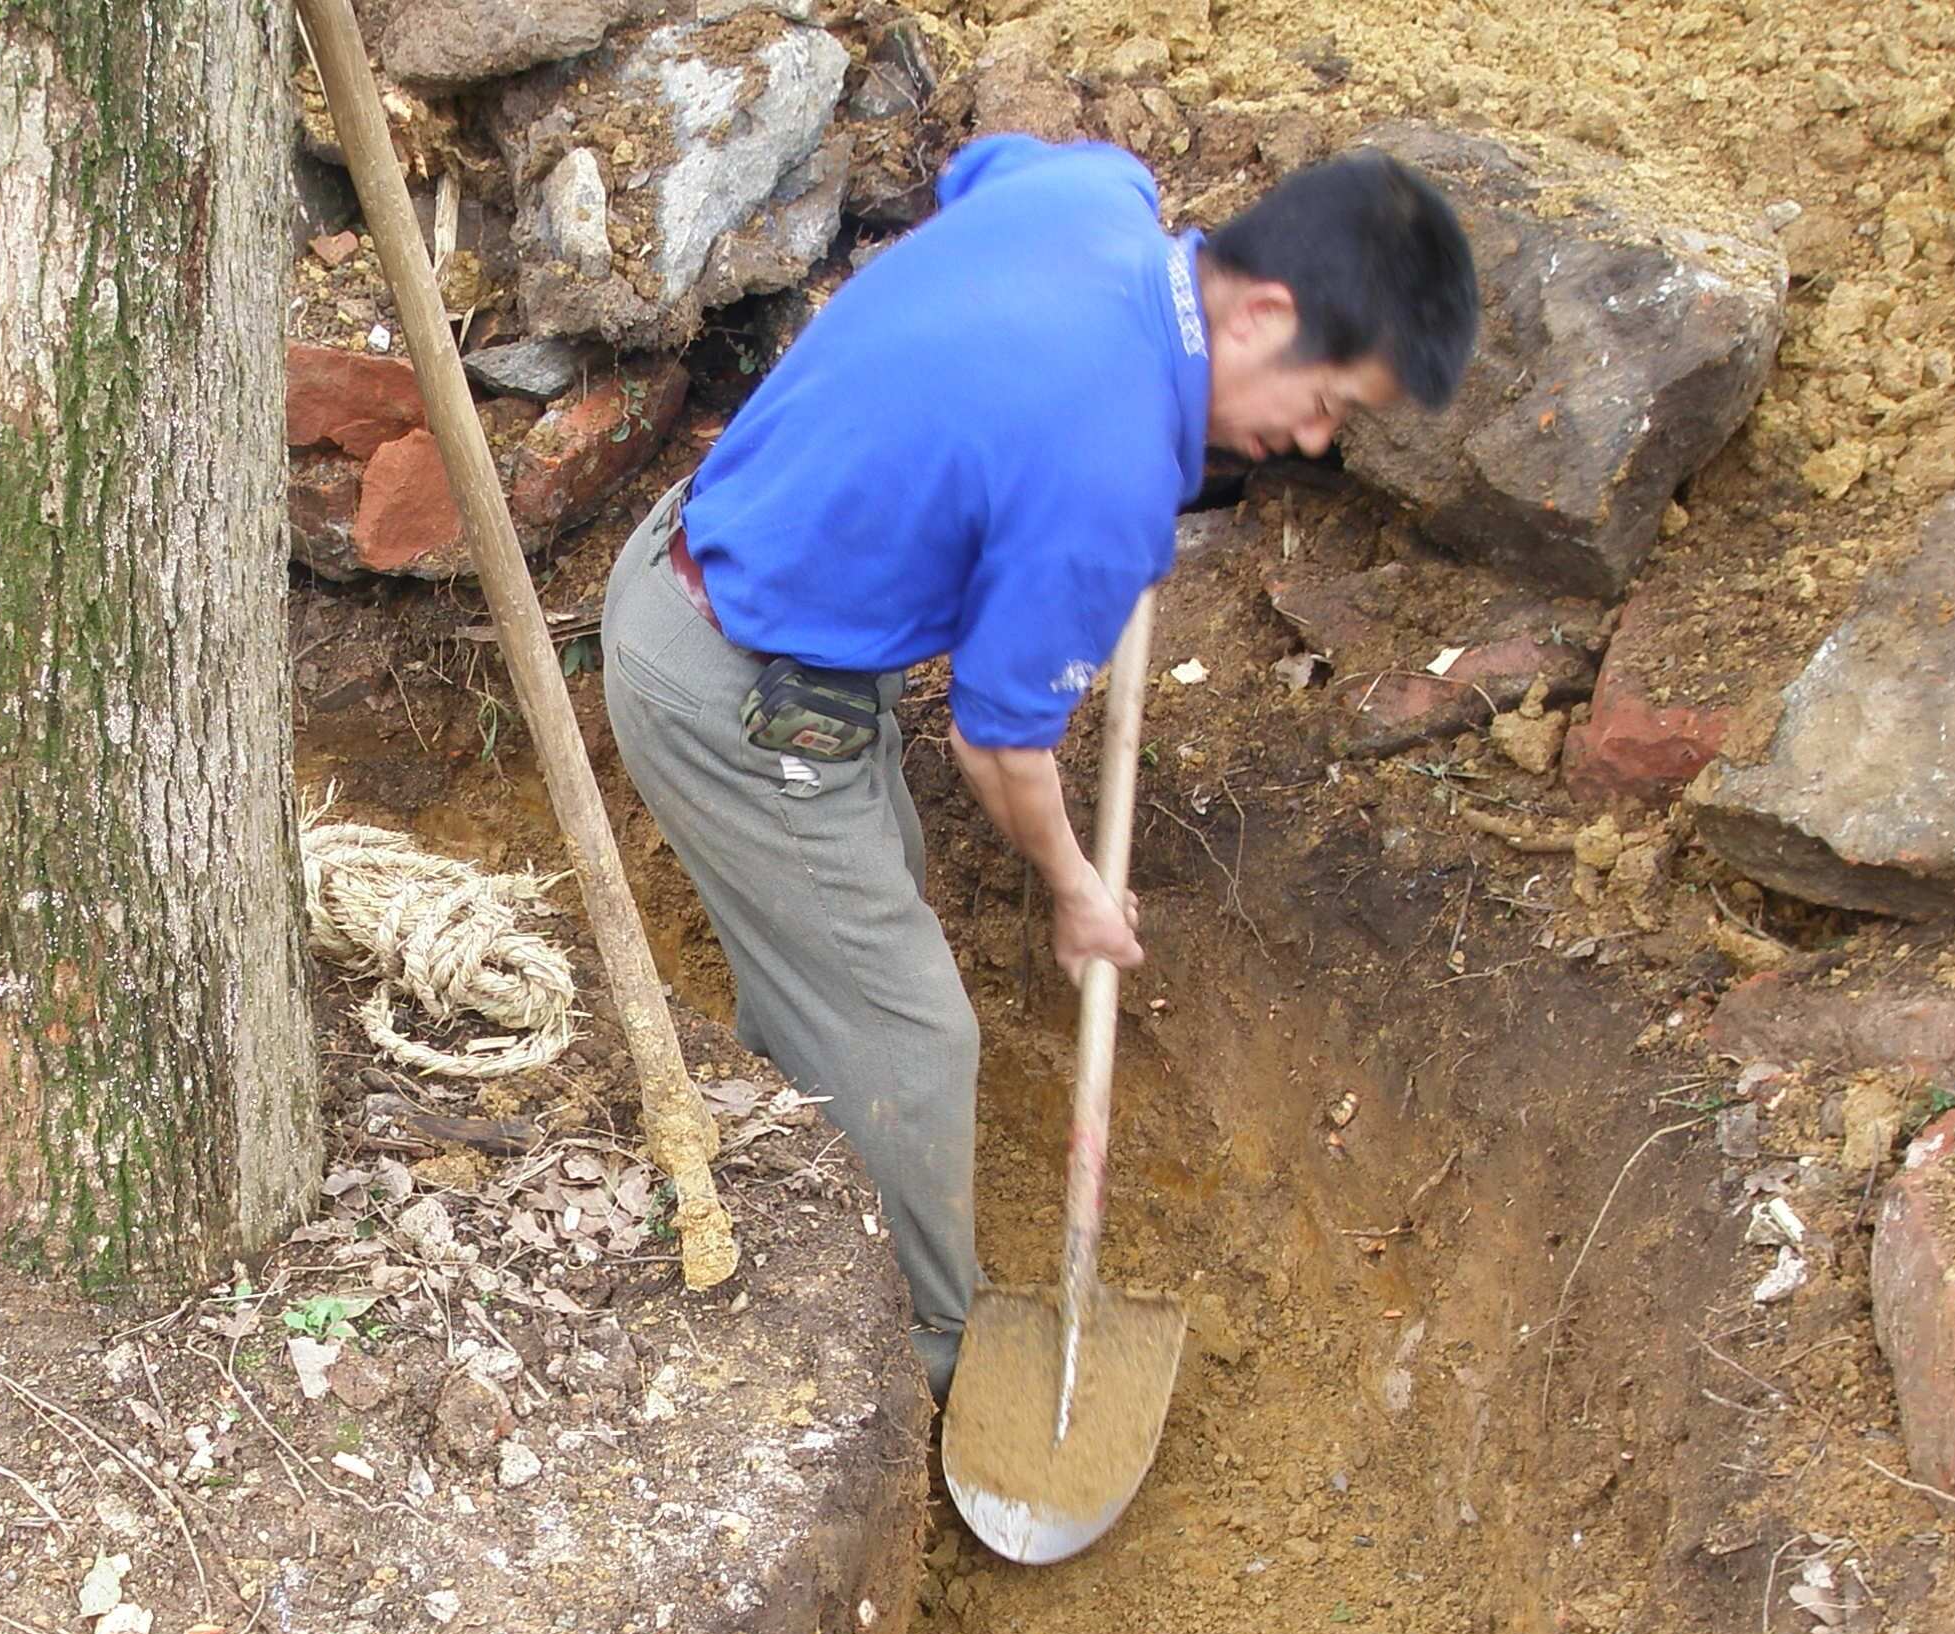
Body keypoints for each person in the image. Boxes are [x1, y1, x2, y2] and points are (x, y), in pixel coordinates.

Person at [601, 136, 1479, 1397]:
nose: (1310, 438)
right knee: (911, 1042)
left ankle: (783, 1168)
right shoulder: (1106, 478)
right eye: (1330, 400)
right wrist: (1075, 888)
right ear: (1268, 310)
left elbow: (978, 179)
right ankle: (906, 1371)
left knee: (863, 934)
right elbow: (998, 743)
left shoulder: (1100, 195)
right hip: (731, 691)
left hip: (744, 588)